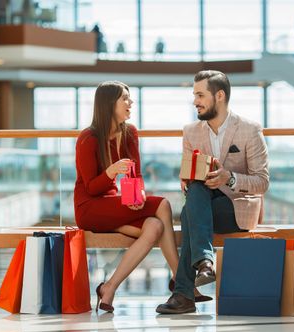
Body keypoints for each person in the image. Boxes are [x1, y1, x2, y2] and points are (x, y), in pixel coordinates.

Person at [156, 70, 269, 314]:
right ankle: (204, 264)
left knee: (189, 215)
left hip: (237, 208)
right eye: (194, 95)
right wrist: (186, 179)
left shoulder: (250, 129)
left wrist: (229, 179)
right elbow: (188, 178)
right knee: (194, 193)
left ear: (219, 96)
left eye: (200, 95)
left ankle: (185, 291)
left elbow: (262, 182)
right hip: (203, 204)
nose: (195, 101)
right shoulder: (191, 131)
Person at [75, 81, 187, 313]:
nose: (130, 103)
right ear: (108, 104)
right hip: (90, 207)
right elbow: (92, 188)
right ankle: (182, 282)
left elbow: (136, 175)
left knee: (155, 226)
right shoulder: (88, 139)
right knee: (163, 204)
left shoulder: (129, 133)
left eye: (130, 98)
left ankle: (109, 287)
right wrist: (111, 171)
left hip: (115, 205)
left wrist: (139, 195)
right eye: (124, 98)